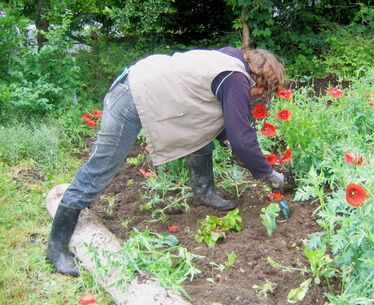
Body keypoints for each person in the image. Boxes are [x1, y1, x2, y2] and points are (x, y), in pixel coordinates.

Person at [47, 46, 286, 276]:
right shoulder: (235, 77)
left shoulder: (230, 59)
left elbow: (220, 124)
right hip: (131, 98)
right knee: (102, 168)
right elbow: (240, 137)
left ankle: (203, 192)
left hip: (142, 86)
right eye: (263, 91)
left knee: (201, 131)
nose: (259, 96)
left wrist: (239, 149)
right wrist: (270, 174)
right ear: (259, 78)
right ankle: (57, 248)